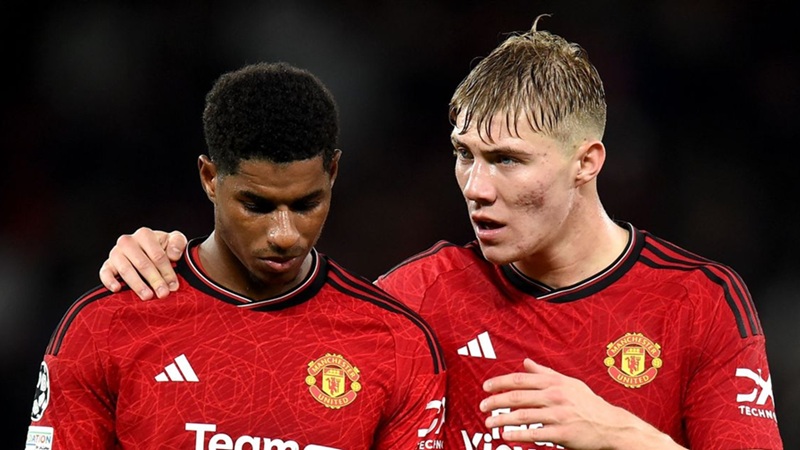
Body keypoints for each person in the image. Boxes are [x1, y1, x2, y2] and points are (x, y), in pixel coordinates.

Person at [92, 17, 784, 450]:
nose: (476, 187)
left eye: (506, 160)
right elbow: (266, 335)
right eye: (464, 155)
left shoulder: (698, 303)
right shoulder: (417, 296)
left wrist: (620, 435)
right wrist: (175, 261)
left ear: (587, 162)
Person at [25, 62, 447, 450]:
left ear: (332, 173)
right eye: (257, 206)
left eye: (306, 204)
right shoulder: (107, 325)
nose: (284, 235)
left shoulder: (396, 343)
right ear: (210, 178)